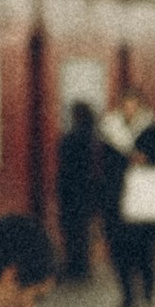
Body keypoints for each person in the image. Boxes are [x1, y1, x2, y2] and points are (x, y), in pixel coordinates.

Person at [102, 97, 155, 307]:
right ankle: (127, 295)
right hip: (118, 200)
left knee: (146, 250)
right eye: (125, 106)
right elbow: (104, 165)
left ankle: (148, 288)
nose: (129, 111)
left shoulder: (152, 130)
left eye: (133, 106)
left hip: (146, 201)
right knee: (119, 250)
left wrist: (147, 159)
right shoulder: (109, 131)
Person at [54, 99, 106, 284]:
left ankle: (76, 267)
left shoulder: (71, 138)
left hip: (72, 191)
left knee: (73, 230)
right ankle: (83, 267)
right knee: (84, 229)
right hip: (90, 191)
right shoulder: (96, 137)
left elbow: (65, 168)